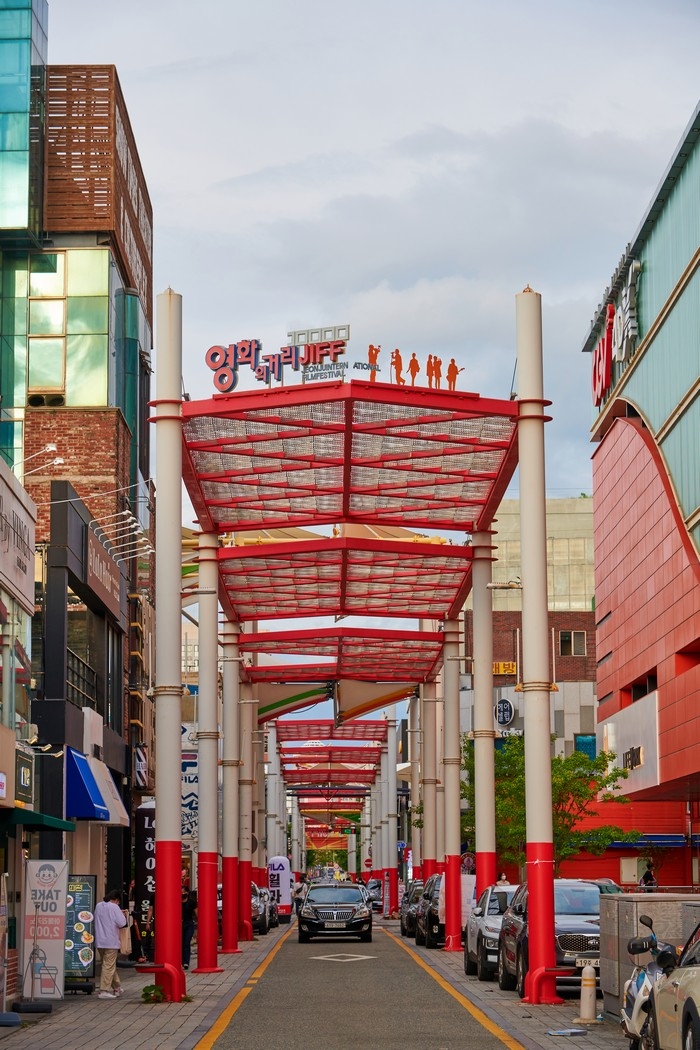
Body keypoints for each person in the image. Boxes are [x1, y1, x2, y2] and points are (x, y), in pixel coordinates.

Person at [94, 888, 128, 999]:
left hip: (100, 940)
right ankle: (103, 990)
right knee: (108, 966)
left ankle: (117, 988)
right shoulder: (114, 907)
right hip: (111, 941)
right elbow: (122, 923)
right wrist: (122, 914)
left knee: (108, 965)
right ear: (116, 899)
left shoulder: (99, 905)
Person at [182, 887, 198, 970]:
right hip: (179, 924)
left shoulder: (192, 902)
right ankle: (181, 960)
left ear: (187, 893)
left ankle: (186, 962)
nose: (182, 894)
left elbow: (197, 913)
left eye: (183, 892)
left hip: (189, 923)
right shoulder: (176, 902)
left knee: (186, 942)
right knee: (180, 943)